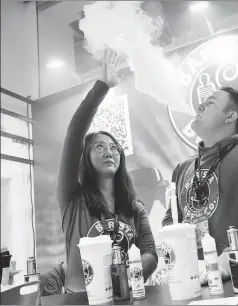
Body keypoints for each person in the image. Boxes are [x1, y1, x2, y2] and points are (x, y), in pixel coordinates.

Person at [56, 49, 158, 292]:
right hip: (80, 299)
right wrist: (102, 87)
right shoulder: (72, 198)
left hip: (125, 296)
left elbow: (150, 252)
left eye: (114, 148)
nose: (108, 152)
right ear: (85, 156)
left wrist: (127, 276)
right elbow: (74, 134)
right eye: (99, 147)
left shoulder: (134, 207)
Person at [161, 86, 238, 281]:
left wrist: (227, 263)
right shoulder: (183, 168)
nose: (199, 107)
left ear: (231, 116)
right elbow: (171, 219)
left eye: (210, 103)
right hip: (194, 279)